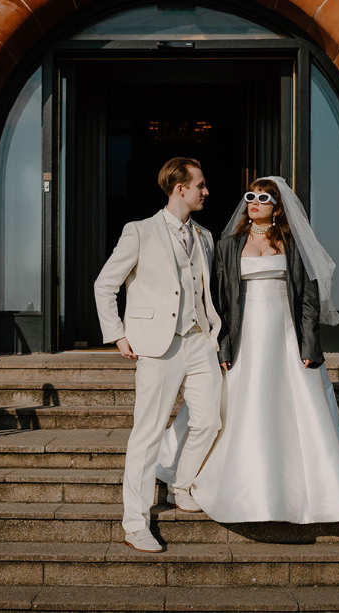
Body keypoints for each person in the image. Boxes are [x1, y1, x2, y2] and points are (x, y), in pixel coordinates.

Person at [157, 176, 339, 524]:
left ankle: (301, 486)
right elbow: (220, 304)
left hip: (284, 336)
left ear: (277, 206)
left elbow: (307, 300)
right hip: (244, 338)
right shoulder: (229, 244)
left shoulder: (292, 244)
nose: (254, 202)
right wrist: (223, 347)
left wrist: (309, 344)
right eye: (250, 196)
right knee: (230, 408)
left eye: (263, 197)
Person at [94, 157, 222, 552]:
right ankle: (135, 522)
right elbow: (105, 284)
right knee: (147, 435)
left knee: (209, 421)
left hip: (201, 339)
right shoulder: (139, 231)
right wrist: (117, 335)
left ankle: (179, 486)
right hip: (156, 344)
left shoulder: (205, 235)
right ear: (179, 188)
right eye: (200, 185)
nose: (206, 191)